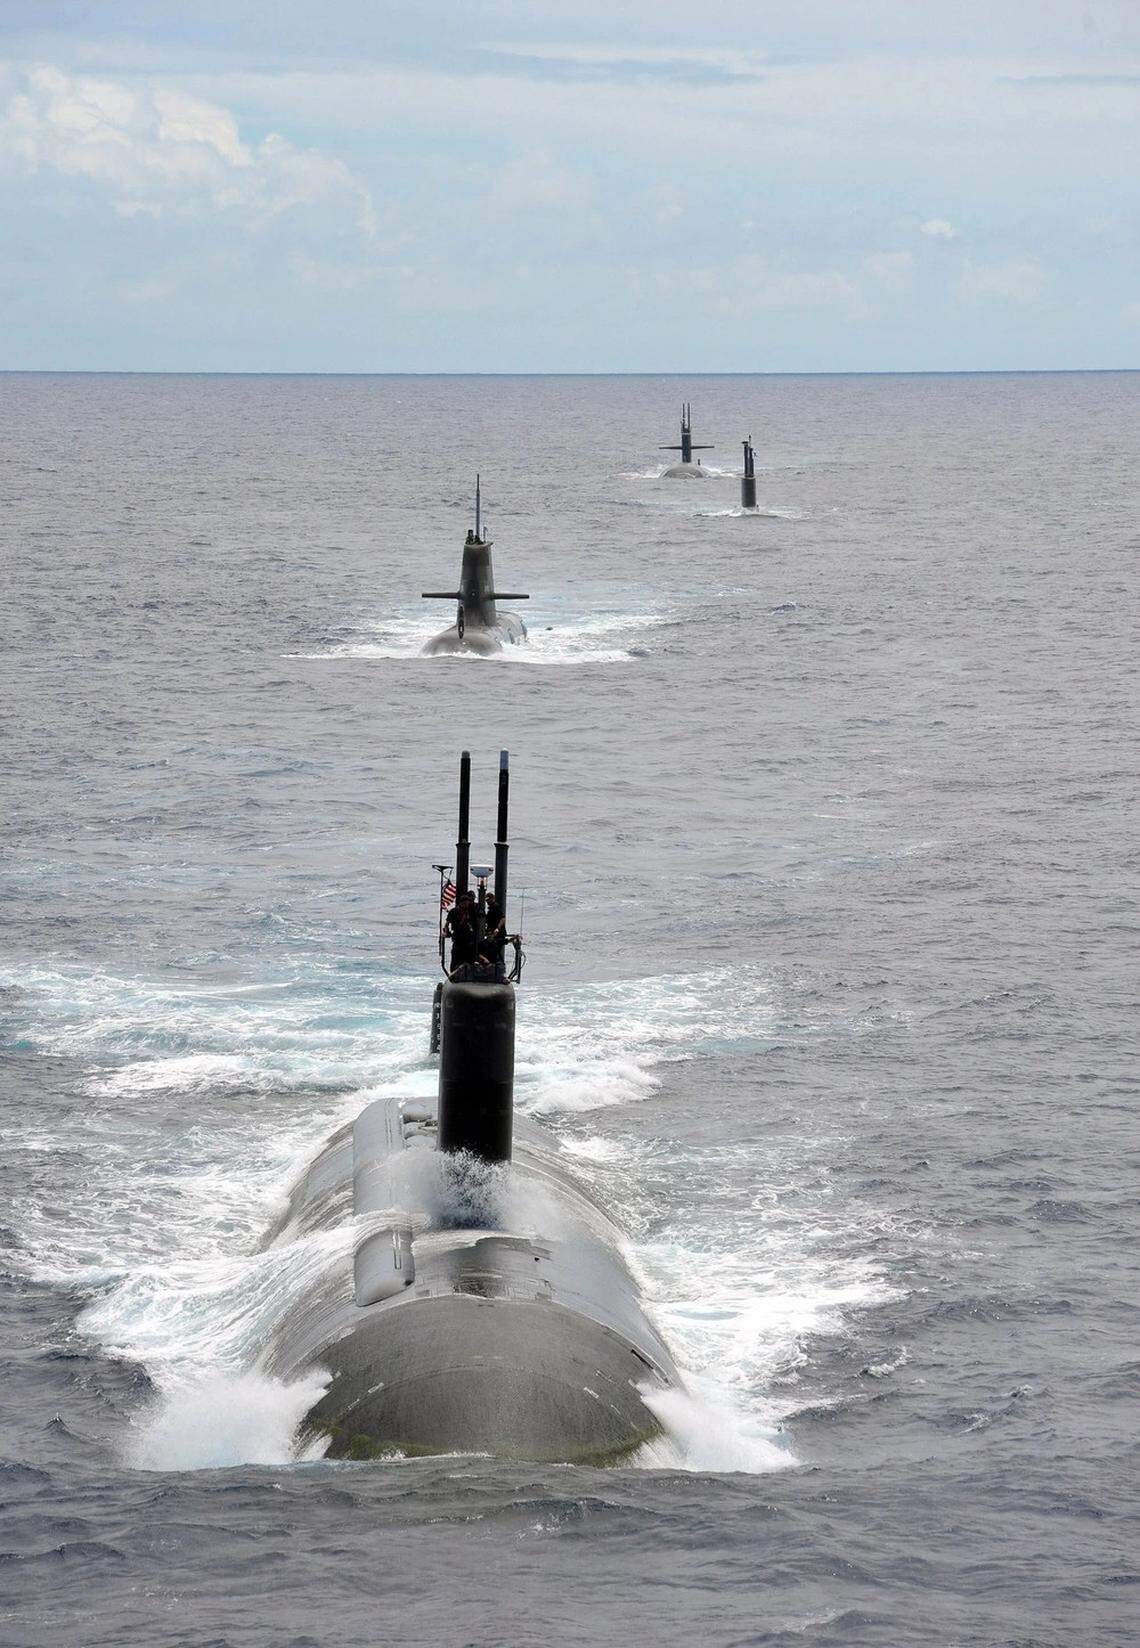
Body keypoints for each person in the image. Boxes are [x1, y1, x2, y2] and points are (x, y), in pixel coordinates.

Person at [444, 891, 477, 977]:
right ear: (462, 903)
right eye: (466, 903)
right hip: (458, 937)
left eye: (468, 903)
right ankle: (453, 973)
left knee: (470, 956)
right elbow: (447, 924)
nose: (467, 904)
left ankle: (469, 973)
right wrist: (446, 931)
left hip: (468, 938)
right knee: (456, 956)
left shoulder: (470, 911)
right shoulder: (454, 911)